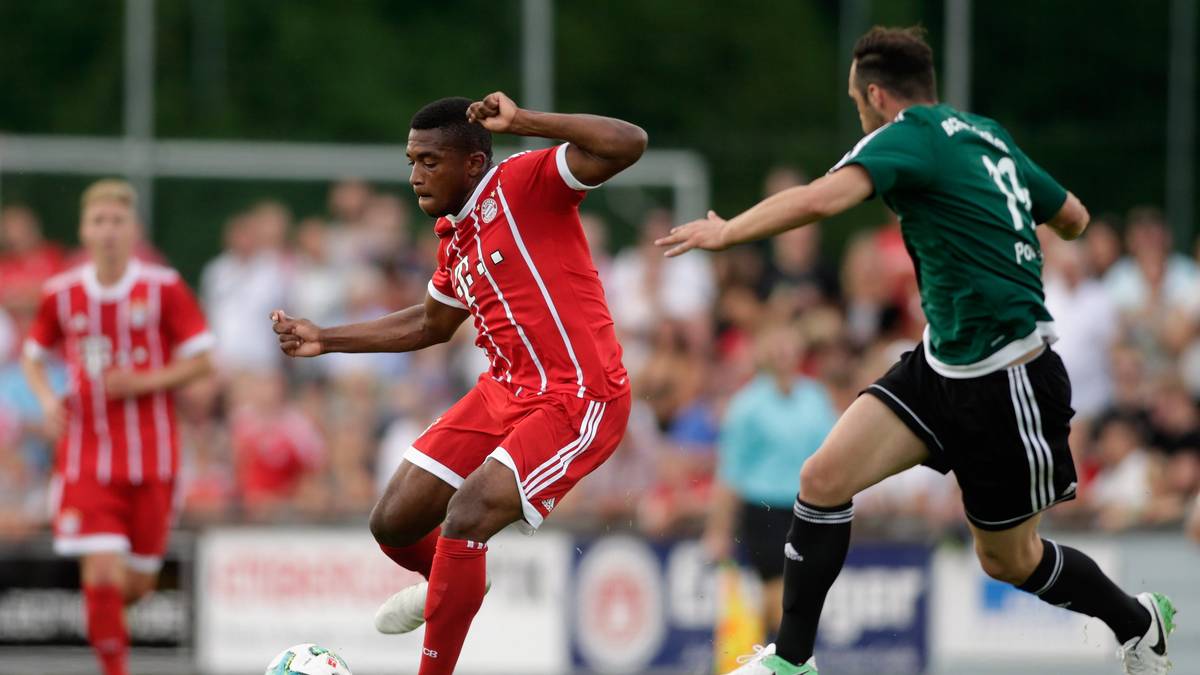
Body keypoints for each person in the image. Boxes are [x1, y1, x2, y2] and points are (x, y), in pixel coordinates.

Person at [658, 26, 1175, 675]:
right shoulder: (987, 136)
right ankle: (792, 662)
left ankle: (1139, 621)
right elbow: (1073, 215)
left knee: (1009, 559)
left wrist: (728, 229)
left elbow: (822, 198)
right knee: (821, 479)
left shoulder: (908, 137)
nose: (858, 114)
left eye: (855, 102)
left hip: (1007, 379)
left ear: (876, 95)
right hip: (942, 364)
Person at [271, 92, 646, 675]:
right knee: (393, 522)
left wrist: (524, 123)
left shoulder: (525, 184)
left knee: (466, 513)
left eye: (429, 161)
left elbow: (629, 142)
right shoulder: (454, 235)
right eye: (411, 161)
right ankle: (450, 578)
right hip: (506, 390)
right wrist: (325, 338)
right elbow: (430, 323)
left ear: (472, 162)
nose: (416, 176)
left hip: (579, 396)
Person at [20, 179, 214, 675]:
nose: (108, 231)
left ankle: (108, 629)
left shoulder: (164, 288)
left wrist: (145, 380)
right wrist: (46, 400)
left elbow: (201, 359)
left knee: (138, 585)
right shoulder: (61, 294)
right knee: (101, 570)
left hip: (154, 459)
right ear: (84, 231)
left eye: (117, 221)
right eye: (99, 221)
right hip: (86, 455)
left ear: (134, 230)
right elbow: (33, 356)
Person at [704, 323, 837, 636]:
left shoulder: (815, 398)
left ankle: (779, 656)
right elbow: (731, 471)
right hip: (763, 510)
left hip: (807, 509)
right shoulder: (748, 405)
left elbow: (832, 456)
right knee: (778, 595)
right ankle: (783, 658)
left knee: (799, 594)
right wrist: (719, 530)